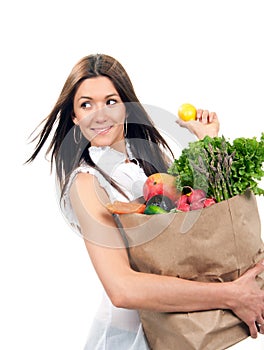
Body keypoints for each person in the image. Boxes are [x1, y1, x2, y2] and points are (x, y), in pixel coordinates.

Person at [27, 53, 264, 349]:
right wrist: (231, 294)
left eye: (110, 101)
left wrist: (207, 141)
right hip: (131, 340)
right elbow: (122, 288)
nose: (99, 115)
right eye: (86, 104)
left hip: (180, 330)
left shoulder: (151, 163)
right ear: (75, 118)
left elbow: (198, 221)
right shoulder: (87, 183)